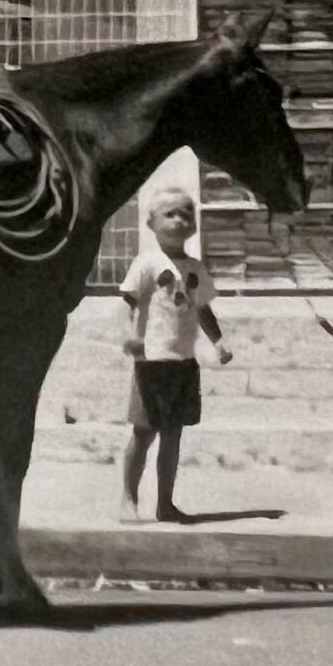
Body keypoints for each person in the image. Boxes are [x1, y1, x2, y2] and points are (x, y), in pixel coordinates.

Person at [118, 187, 231, 524]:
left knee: (173, 434)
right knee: (143, 432)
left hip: (184, 362)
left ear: (194, 226)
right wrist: (129, 335)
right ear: (151, 223)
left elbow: (203, 308)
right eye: (170, 214)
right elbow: (127, 302)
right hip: (151, 362)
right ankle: (128, 498)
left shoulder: (195, 267)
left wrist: (219, 341)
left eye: (186, 214)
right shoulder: (147, 263)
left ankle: (165, 503)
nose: (180, 219)